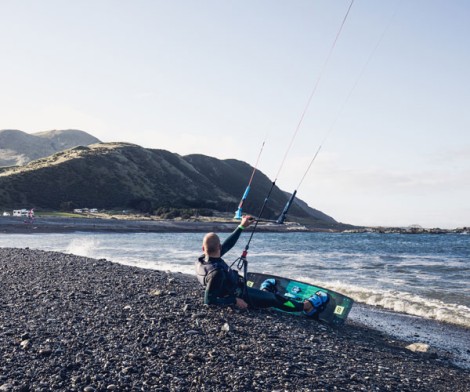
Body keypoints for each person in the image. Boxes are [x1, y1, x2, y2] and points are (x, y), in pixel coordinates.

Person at [195, 215, 329, 316]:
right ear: (218, 247)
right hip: (241, 295)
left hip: (236, 288)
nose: (222, 248)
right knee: (274, 299)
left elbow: (228, 245)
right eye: (220, 247)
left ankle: (264, 293)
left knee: (265, 296)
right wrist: (235, 301)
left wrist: (241, 226)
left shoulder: (203, 261)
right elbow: (209, 301)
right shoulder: (216, 272)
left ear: (203, 248)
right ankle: (306, 306)